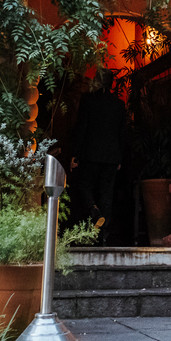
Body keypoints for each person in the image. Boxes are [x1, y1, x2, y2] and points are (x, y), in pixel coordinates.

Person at [69, 70, 126, 243]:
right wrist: (120, 158)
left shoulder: (88, 100)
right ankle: (103, 237)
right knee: (106, 194)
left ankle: (94, 213)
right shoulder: (118, 104)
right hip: (111, 156)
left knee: (84, 186)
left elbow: (81, 128)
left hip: (90, 154)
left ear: (98, 82)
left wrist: (75, 154)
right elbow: (122, 133)